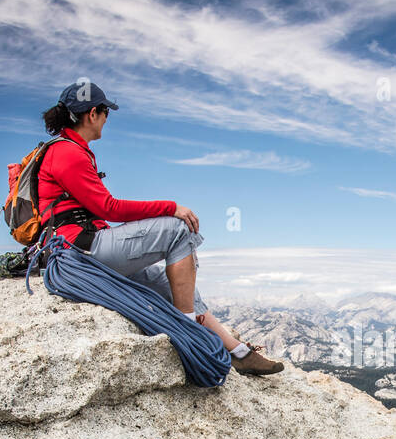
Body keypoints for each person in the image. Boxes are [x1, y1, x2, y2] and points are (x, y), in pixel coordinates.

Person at [36, 81, 283, 376]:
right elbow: (108, 208)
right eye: (105, 114)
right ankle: (190, 332)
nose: (106, 121)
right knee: (179, 229)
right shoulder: (68, 153)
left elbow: (100, 212)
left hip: (84, 247)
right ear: (92, 114)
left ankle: (238, 352)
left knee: (174, 285)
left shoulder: (70, 149)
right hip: (81, 252)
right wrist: (170, 207)